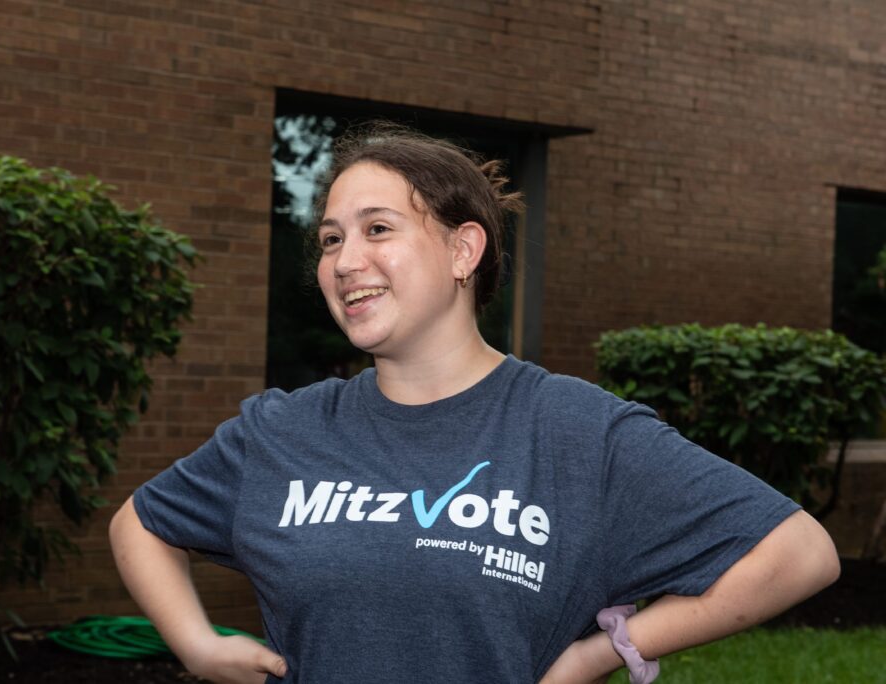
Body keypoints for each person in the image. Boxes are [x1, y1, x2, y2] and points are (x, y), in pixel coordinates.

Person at [109, 122, 840, 684]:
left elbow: (798, 553)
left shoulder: (578, 431)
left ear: (464, 251)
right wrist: (197, 645)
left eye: (378, 229)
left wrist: (606, 651)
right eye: (331, 239)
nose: (345, 261)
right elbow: (140, 523)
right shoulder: (281, 430)